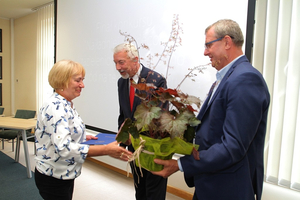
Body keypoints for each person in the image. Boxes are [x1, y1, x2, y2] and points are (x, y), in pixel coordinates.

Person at [152, 19, 270, 200]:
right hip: (211, 182)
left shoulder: (245, 79)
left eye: (208, 45)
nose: (205, 52)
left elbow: (233, 147)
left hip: (227, 189)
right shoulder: (227, 77)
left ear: (227, 42)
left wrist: (181, 165)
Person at [34, 59, 132, 200]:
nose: (82, 85)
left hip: (63, 174)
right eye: (78, 80)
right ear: (62, 81)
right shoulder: (56, 108)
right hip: (54, 177)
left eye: (82, 80)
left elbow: (61, 131)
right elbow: (64, 149)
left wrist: (83, 136)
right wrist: (106, 150)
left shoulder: (65, 103)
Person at [113, 43, 168, 200]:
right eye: (115, 63)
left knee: (154, 194)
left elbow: (158, 118)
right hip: (133, 149)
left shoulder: (156, 80)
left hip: (152, 149)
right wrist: (122, 142)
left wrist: (134, 134)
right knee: (140, 191)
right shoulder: (121, 82)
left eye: (121, 62)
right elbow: (124, 115)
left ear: (135, 60)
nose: (117, 67)